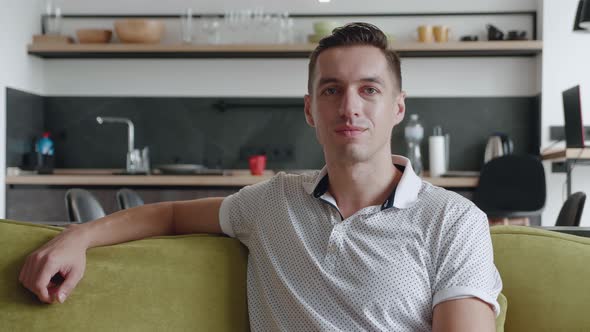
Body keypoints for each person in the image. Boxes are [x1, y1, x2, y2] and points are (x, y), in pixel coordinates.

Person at [19, 22, 501, 331]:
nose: (349, 106)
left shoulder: (454, 222)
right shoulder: (273, 201)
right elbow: (166, 214)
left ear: (397, 108)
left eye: (368, 90)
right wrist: (77, 238)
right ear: (311, 110)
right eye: (331, 90)